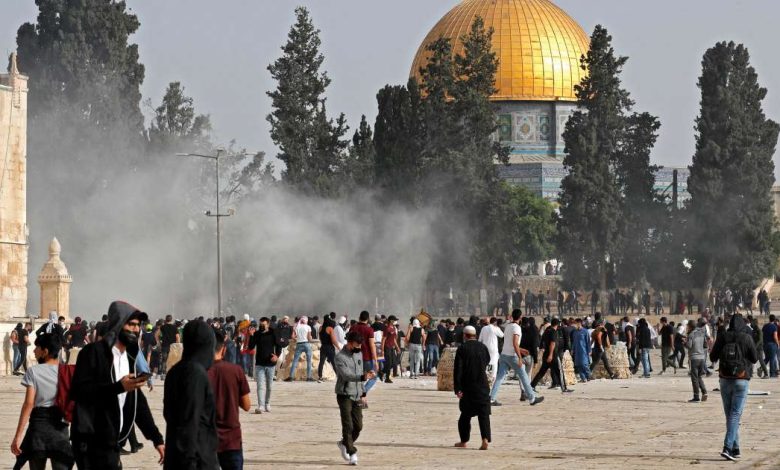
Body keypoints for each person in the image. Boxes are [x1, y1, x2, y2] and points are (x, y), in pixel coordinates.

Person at [70, 301, 164, 469]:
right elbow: (79, 391)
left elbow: (137, 402)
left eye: (138, 326)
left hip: (112, 441)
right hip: (90, 441)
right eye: (132, 324)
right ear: (119, 324)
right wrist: (118, 387)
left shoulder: (128, 357)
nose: (136, 330)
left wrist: (156, 439)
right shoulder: (93, 352)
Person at [11, 333, 74, 470]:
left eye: (37, 347)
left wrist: (18, 437)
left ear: (45, 351)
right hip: (60, 429)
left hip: (38, 429)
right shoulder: (68, 372)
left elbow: (29, 404)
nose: (34, 351)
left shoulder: (33, 372)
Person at [163, 319, 218, 469]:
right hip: (195, 459)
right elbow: (190, 421)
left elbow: (168, 414)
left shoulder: (174, 371)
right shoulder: (195, 374)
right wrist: (190, 461)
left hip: (175, 457)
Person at [710, 314, 758, 461]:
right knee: (735, 414)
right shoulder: (746, 337)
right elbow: (755, 358)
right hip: (741, 379)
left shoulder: (723, 336)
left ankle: (736, 448)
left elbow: (712, 357)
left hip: (724, 379)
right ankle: (728, 447)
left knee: (730, 415)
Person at [208, 330, 251, 470]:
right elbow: (247, 405)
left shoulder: (199, 372)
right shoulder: (236, 371)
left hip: (206, 440)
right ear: (224, 349)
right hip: (231, 440)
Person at [334, 331, 376, 466]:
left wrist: (363, 393)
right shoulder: (340, 357)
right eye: (357, 344)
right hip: (344, 395)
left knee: (358, 426)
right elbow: (346, 375)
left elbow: (359, 373)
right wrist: (363, 377)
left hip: (358, 394)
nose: (359, 347)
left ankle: (344, 443)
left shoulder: (359, 354)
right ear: (350, 343)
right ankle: (352, 452)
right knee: (348, 425)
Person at [489, 309, 543, 406]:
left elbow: (510, 343)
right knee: (524, 377)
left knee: (500, 377)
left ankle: (491, 398)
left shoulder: (508, 326)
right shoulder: (517, 328)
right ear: (520, 317)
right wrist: (520, 357)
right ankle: (532, 398)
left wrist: (521, 350)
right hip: (512, 356)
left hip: (504, 355)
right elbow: (514, 343)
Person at [453, 326, 491, 450]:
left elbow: (458, 370)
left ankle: (464, 441)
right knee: (484, 414)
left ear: (465, 335)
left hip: (468, 386)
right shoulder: (483, 347)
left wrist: (458, 388)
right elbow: (487, 361)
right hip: (482, 385)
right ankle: (485, 439)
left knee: (465, 416)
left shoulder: (462, 348)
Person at [531, 318, 573, 393]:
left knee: (541, 372)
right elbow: (552, 343)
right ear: (557, 324)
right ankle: (564, 388)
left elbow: (543, 340)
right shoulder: (553, 332)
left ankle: (532, 386)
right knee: (559, 371)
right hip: (553, 355)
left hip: (546, 354)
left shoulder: (547, 330)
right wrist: (551, 355)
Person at [249, 317, 280, 413]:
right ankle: (261, 405)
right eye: (260, 324)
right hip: (259, 364)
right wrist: (251, 335)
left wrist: (277, 355)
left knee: (269, 386)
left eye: (263, 324)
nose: (262, 326)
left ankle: (267, 403)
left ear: (268, 324)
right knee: (260, 386)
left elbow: (278, 345)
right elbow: (251, 347)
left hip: (270, 364)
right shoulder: (257, 334)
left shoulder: (273, 332)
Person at [350, 311, 378, 397]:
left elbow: (349, 342)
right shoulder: (369, 330)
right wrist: (376, 360)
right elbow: (372, 346)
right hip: (367, 357)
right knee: (373, 377)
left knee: (358, 377)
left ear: (359, 317)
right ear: (368, 319)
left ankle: (356, 394)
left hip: (354, 356)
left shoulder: (353, 328)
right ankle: (362, 392)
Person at [686, 319, 709, 402]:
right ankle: (704, 392)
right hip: (702, 358)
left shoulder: (691, 334)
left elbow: (689, 346)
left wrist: (684, 342)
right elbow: (705, 344)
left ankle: (696, 396)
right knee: (699, 376)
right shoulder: (701, 333)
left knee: (694, 378)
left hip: (694, 358)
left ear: (690, 326)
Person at [286, 316, 314, 382]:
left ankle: (291, 377)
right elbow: (309, 338)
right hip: (306, 344)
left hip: (298, 344)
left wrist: (297, 338)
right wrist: (310, 339)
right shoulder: (308, 327)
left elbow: (292, 336)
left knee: (295, 361)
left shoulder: (296, 327)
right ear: (306, 321)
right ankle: (309, 377)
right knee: (309, 361)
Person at [156, 315, 180, 379]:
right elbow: (177, 337)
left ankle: (163, 374)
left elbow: (156, 335)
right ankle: (171, 374)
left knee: (164, 360)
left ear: (165, 320)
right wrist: (177, 345)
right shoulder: (175, 327)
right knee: (172, 360)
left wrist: (158, 343)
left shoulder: (163, 327)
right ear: (171, 320)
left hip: (164, 346)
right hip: (173, 347)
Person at [381, 316, 400, 384]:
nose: (395, 321)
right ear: (391, 321)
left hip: (392, 347)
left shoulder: (394, 328)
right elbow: (383, 339)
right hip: (387, 347)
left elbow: (394, 339)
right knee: (388, 363)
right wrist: (382, 350)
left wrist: (397, 347)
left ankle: (382, 372)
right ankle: (387, 378)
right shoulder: (387, 328)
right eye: (395, 320)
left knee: (393, 363)